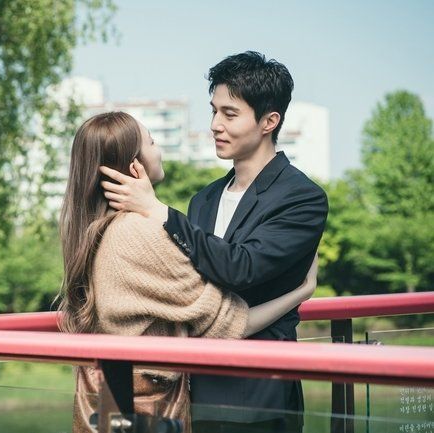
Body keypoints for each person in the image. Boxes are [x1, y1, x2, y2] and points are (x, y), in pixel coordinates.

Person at [99, 52, 329, 433]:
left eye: (230, 114)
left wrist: (159, 211)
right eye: (213, 111)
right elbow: (192, 284)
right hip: (194, 389)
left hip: (260, 395)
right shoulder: (203, 199)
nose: (214, 125)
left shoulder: (302, 198)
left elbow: (241, 268)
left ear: (269, 121)